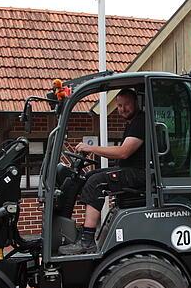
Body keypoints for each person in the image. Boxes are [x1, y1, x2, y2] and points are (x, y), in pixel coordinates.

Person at [62, 88, 146, 253]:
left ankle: (87, 240)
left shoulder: (140, 122)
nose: (122, 109)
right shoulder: (133, 122)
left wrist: (92, 148)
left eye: (126, 105)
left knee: (96, 182)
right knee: (89, 176)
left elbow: (123, 152)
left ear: (135, 102)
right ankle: (81, 231)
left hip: (140, 174)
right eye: (119, 106)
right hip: (132, 171)